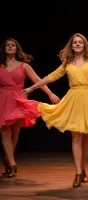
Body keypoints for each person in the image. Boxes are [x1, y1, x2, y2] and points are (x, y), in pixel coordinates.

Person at [22, 33, 88, 187]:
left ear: (85, 45)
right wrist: (32, 87)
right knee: (76, 137)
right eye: (75, 43)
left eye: (80, 42)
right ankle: (78, 172)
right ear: (71, 46)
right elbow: (51, 77)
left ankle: (83, 168)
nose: (78, 44)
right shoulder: (67, 63)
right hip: (73, 99)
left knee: (87, 138)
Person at [0, 38, 60, 177]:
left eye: (13, 45)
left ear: (17, 49)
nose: (10, 47)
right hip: (2, 99)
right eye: (7, 45)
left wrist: (50, 93)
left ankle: (8, 159)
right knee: (4, 132)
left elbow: (38, 81)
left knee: (15, 133)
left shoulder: (24, 66)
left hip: (18, 99)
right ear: (4, 49)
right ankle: (13, 163)